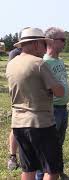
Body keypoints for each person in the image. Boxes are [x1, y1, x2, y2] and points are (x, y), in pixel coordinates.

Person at [6, 27, 64, 180]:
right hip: (41, 123)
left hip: (18, 123)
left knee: (28, 168)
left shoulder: (11, 64)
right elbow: (59, 91)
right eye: (44, 44)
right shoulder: (39, 64)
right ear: (36, 44)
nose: (45, 48)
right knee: (52, 169)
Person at [35, 27, 69, 180]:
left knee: (58, 144)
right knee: (47, 147)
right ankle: (41, 174)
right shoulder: (44, 62)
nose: (64, 43)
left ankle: (57, 171)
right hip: (52, 110)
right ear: (51, 42)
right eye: (62, 40)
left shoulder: (59, 61)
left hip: (63, 109)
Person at [7, 27, 30, 171]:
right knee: (16, 127)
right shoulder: (15, 54)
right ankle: (12, 156)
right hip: (20, 96)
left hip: (33, 97)